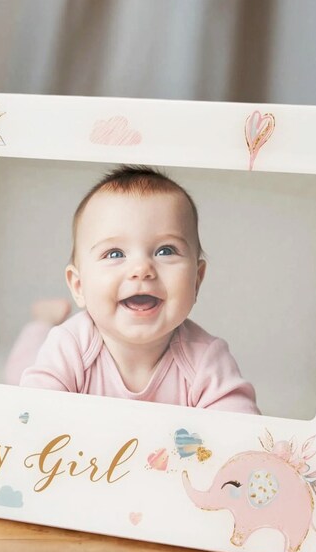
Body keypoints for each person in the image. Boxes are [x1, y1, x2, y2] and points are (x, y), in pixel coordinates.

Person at [17, 166, 260, 413]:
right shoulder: (70, 345)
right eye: (115, 253)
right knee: (19, 369)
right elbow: (32, 413)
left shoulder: (206, 358)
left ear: (196, 280)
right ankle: (42, 321)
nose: (142, 269)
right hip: (43, 360)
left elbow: (241, 427)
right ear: (78, 286)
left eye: (165, 250)